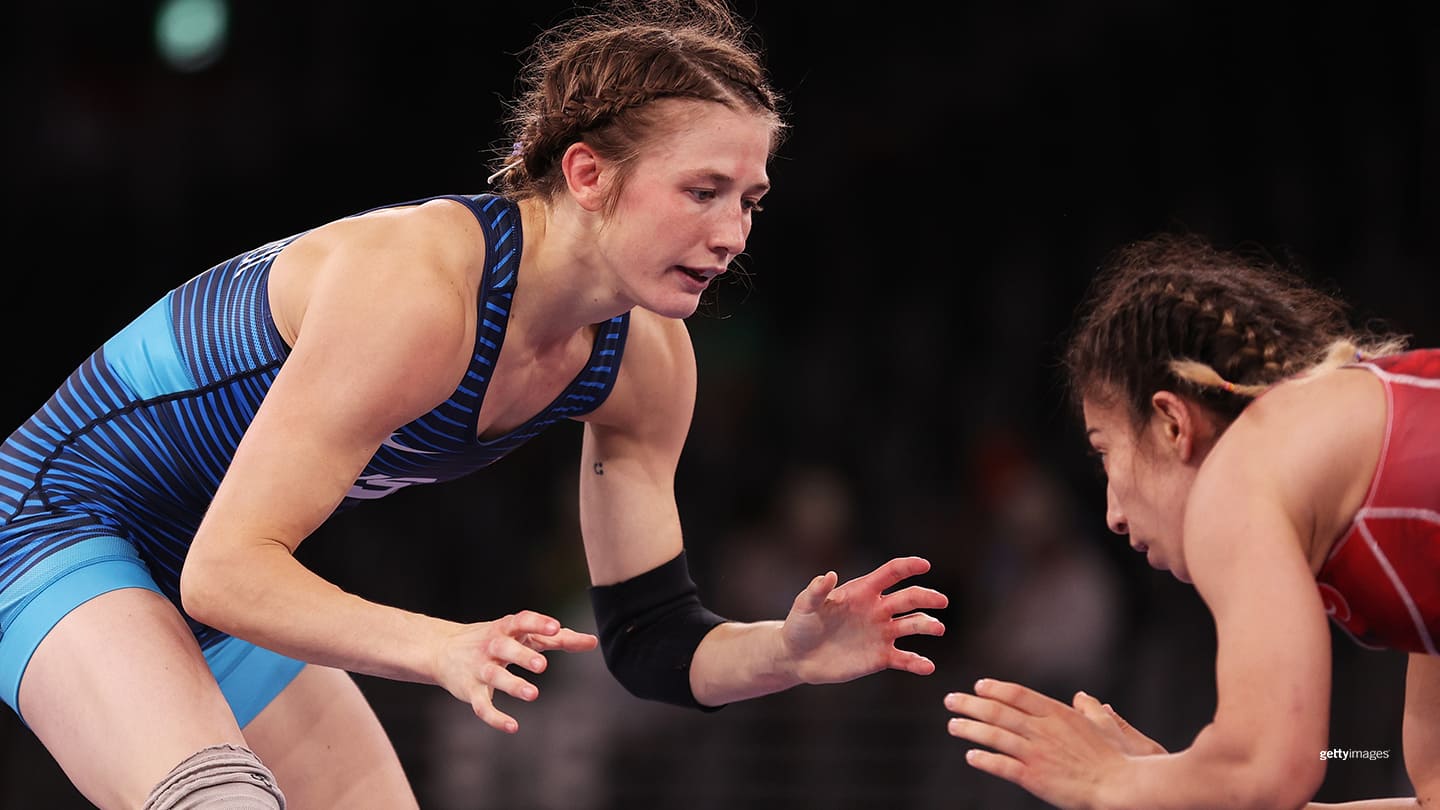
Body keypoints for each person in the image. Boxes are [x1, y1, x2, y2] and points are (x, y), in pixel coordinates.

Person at [0, 2, 950, 807]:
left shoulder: (646, 359)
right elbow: (225, 572)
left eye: (749, 200)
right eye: (703, 191)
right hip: (54, 526)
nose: (733, 233)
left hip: (214, 573)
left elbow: (652, 638)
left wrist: (786, 652)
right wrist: (441, 646)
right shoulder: (422, 290)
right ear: (587, 174)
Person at [943, 231, 1434, 809]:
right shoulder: (1366, 467)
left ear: (1173, 425)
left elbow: (1269, 770)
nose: (1113, 515)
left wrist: (1105, 781)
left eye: (1104, 452)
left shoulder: (1244, 470)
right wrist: (1183, 787)